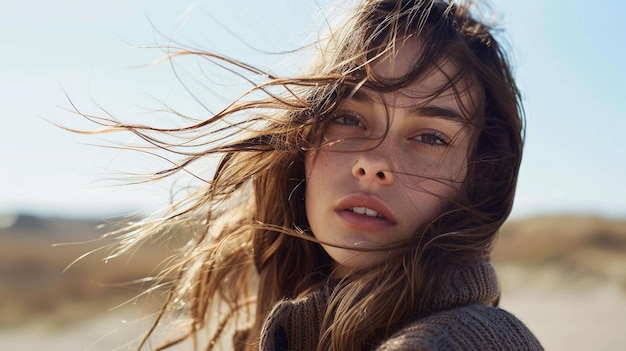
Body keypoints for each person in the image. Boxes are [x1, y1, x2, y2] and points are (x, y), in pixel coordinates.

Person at [79, 0, 543, 350]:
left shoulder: (463, 340)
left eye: (430, 137)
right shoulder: (292, 323)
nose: (375, 162)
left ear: (476, 178)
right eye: (349, 118)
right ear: (305, 140)